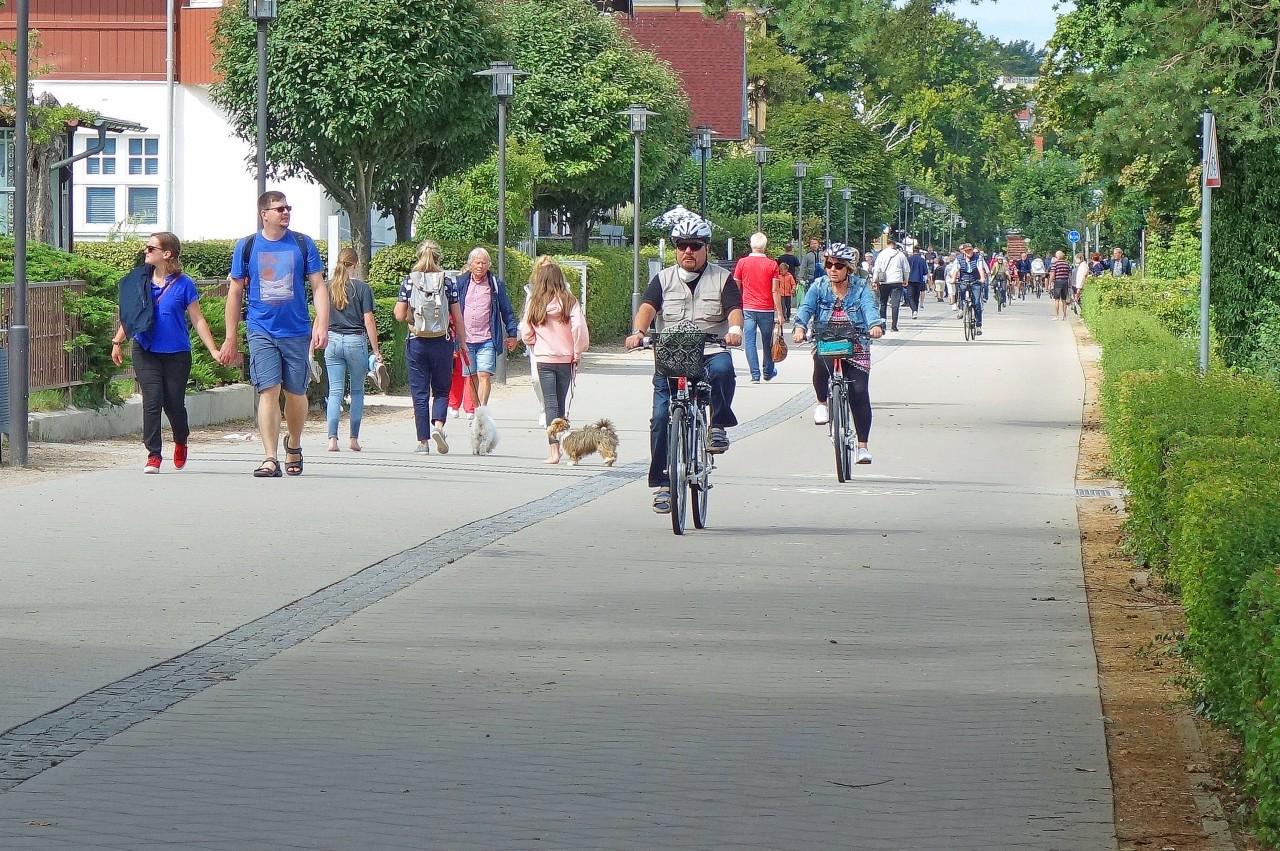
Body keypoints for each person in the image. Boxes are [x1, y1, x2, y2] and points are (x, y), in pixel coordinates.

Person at [625, 217, 742, 515]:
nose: (687, 251)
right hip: (671, 356)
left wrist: (735, 330)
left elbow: (734, 310)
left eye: (695, 246)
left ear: (707, 248)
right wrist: (639, 332)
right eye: (681, 246)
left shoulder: (722, 279)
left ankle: (716, 425)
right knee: (661, 416)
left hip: (710, 349)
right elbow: (648, 307)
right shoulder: (663, 279)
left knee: (723, 369)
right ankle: (664, 485)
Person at [219, 191, 328, 478]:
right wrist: (231, 337)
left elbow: (318, 286)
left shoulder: (303, 244)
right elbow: (235, 292)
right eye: (279, 208)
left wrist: (322, 324)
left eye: (288, 208)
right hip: (261, 329)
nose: (285, 212)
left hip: (296, 330)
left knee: (296, 392)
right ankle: (270, 457)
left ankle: (294, 444)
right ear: (263, 214)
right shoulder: (247, 246)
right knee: (268, 390)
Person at [111, 231, 220, 473]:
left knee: (173, 404)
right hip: (145, 348)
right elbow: (132, 317)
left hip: (176, 353)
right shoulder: (140, 281)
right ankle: (153, 455)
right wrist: (117, 342)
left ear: (166, 254)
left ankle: (181, 440)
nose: (145, 252)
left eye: (151, 249)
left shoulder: (184, 284)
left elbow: (198, 319)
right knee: (152, 400)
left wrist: (213, 349)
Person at [791, 242, 884, 461]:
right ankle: (822, 403)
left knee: (859, 392)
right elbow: (806, 307)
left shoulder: (860, 287)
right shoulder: (818, 285)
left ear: (848, 269)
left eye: (838, 266)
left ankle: (862, 447)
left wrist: (874, 325)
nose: (833, 269)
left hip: (857, 342)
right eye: (829, 264)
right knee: (820, 364)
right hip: (826, 338)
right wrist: (800, 327)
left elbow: (869, 307)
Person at [394, 239, 466, 454]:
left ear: (418, 257)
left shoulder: (410, 281)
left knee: (420, 393)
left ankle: (423, 442)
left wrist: (410, 318)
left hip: (417, 342)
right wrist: (462, 341)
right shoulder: (448, 281)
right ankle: (439, 427)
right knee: (442, 390)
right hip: (442, 342)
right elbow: (458, 317)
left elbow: (398, 314)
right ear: (438, 257)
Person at [519, 256, 589, 464]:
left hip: (544, 357)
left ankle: (554, 452)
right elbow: (578, 328)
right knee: (561, 403)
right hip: (566, 358)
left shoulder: (535, 301)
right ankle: (569, 449)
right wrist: (578, 351)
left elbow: (526, 329)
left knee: (550, 403)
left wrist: (533, 342)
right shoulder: (570, 300)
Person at [324, 247, 382, 452]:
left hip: (332, 341)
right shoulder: (362, 288)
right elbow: (369, 320)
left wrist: (313, 345)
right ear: (355, 265)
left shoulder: (328, 287)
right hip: (355, 341)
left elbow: (320, 318)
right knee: (357, 391)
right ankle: (354, 439)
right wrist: (376, 351)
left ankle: (332, 439)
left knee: (335, 392)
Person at [456, 247, 519, 407]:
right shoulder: (460, 283)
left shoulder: (496, 285)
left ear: (488, 265)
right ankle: (476, 409)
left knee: (484, 374)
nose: (480, 266)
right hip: (466, 339)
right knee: (472, 376)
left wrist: (512, 333)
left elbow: (507, 310)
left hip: (487, 338)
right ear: (470, 264)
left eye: (484, 263)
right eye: (477, 262)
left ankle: (482, 410)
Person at [732, 232, 784, 383]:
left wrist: (736, 304)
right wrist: (779, 312)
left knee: (750, 341)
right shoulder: (772, 264)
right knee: (768, 341)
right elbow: (775, 290)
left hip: (748, 307)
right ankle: (768, 371)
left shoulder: (742, 263)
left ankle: (755, 375)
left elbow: (736, 285)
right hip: (766, 308)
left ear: (751, 245)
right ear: (765, 246)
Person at [871, 236, 910, 332]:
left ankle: (883, 324)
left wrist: (874, 280)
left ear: (887, 245)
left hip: (884, 281)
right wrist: (906, 279)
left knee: (883, 303)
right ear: (895, 246)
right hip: (897, 281)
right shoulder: (901, 255)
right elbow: (906, 269)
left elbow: (877, 268)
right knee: (895, 304)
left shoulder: (882, 254)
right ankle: (894, 326)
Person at [954, 243, 988, 335]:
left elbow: (980, 268)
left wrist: (982, 278)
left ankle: (978, 325)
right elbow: (955, 269)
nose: (969, 252)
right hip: (964, 280)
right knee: (961, 289)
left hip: (975, 280)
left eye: (970, 250)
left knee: (977, 302)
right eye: (967, 250)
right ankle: (961, 308)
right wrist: (953, 279)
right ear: (964, 251)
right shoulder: (959, 258)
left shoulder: (978, 258)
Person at [906, 244, 930, 319]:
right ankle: (915, 311)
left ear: (913, 251)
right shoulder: (922, 260)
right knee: (916, 296)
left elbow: (905, 269)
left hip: (910, 280)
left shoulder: (909, 259)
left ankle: (914, 310)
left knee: (910, 296)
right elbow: (925, 271)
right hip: (919, 280)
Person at [1049, 249, 1073, 320]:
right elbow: (1069, 274)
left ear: (1057, 256)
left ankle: (1056, 316)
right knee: (1064, 299)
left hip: (1058, 282)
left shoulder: (1055, 264)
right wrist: (1070, 283)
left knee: (1056, 299)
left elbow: (1052, 274)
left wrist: (1050, 283)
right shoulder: (1067, 264)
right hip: (1065, 282)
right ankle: (1064, 316)